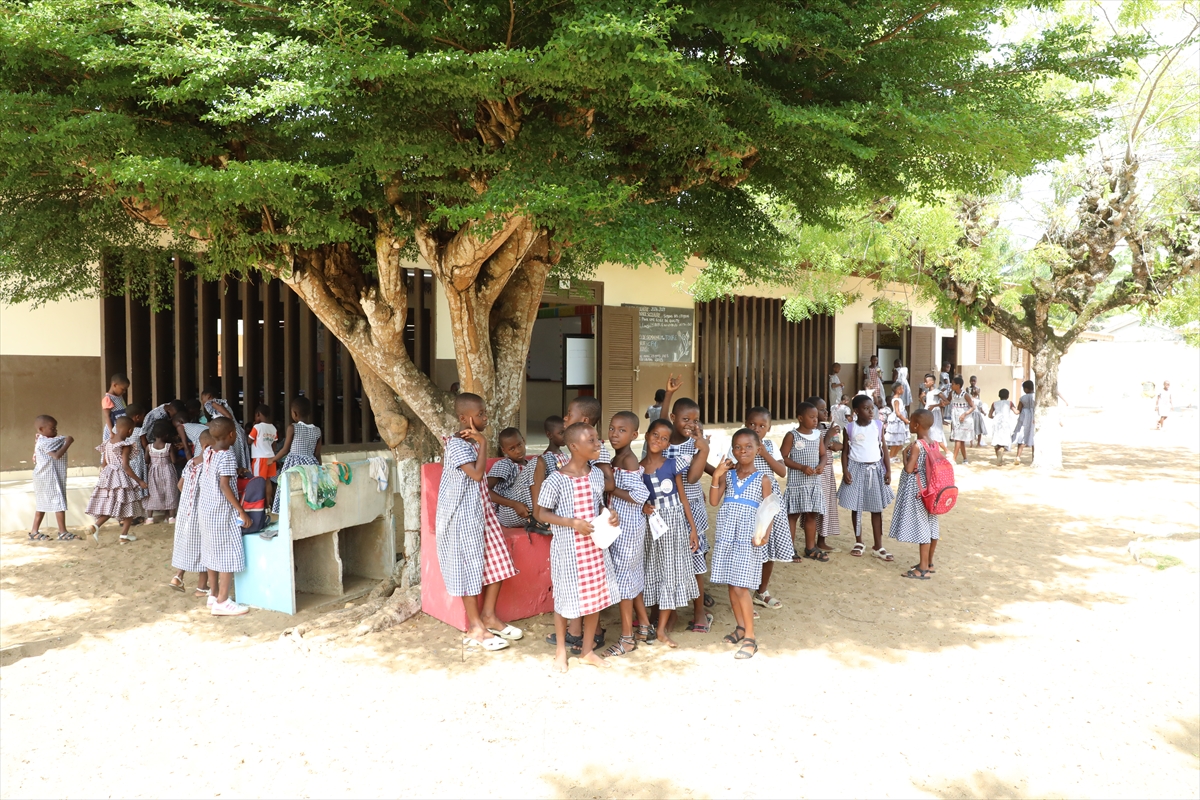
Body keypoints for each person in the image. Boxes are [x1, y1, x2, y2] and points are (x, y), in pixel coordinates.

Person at [434, 393, 521, 651]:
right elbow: (476, 474)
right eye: (480, 414)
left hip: (482, 515)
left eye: (484, 413)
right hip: (462, 518)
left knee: (499, 563)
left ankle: (489, 616)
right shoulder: (458, 445)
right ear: (464, 418)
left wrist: (480, 442)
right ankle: (475, 628)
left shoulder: (471, 443)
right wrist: (483, 442)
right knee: (468, 571)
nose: (486, 417)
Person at [537, 421, 621, 672]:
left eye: (597, 439)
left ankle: (586, 651)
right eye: (592, 440)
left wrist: (610, 513)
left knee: (594, 598)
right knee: (565, 600)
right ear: (573, 446)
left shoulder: (596, 475)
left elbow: (598, 506)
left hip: (594, 548)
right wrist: (571, 523)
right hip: (568, 551)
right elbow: (541, 513)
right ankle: (561, 651)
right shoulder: (556, 480)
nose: (599, 443)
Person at [648, 383, 714, 632]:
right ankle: (664, 611)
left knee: (695, 557)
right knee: (665, 557)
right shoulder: (663, 442)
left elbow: (695, 477)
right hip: (666, 508)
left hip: (691, 506)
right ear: (674, 418)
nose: (691, 424)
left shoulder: (695, 444)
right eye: (686, 419)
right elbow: (663, 420)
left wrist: (703, 449)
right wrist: (669, 395)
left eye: (696, 421)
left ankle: (699, 612)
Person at [640, 418, 702, 648]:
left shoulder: (673, 464)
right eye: (655, 435)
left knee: (671, 570)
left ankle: (662, 629)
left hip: (675, 524)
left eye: (664, 438)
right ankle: (653, 621)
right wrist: (644, 506)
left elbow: (684, 498)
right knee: (653, 569)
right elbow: (638, 498)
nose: (659, 440)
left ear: (668, 444)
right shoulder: (637, 468)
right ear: (647, 436)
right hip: (652, 527)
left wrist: (692, 529)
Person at [709, 428, 770, 660]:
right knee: (731, 584)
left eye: (748, 447)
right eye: (737, 447)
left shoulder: (763, 479)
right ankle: (740, 627)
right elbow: (714, 501)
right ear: (731, 450)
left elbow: (768, 510)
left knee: (741, 586)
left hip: (748, 538)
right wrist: (716, 475)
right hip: (727, 535)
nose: (742, 451)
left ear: (758, 449)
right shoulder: (729, 475)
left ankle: (751, 638)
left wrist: (764, 535)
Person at [603, 411, 654, 655]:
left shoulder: (629, 460)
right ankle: (643, 624)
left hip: (629, 527)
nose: (614, 434)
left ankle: (626, 638)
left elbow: (638, 495)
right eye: (612, 428)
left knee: (624, 581)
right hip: (621, 525)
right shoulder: (617, 457)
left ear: (634, 435)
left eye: (622, 430)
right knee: (631, 576)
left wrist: (612, 489)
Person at [199, 418, 252, 616]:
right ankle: (223, 600)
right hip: (222, 511)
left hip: (206, 509)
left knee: (211, 551)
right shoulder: (228, 456)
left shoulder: (208, 452)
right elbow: (224, 485)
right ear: (231, 435)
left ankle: (213, 595)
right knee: (227, 553)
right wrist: (240, 510)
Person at [745, 406, 796, 607]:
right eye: (752, 424)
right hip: (748, 502)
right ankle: (744, 593)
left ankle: (762, 591)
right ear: (745, 424)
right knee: (748, 547)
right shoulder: (742, 444)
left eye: (761, 425)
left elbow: (782, 471)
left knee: (769, 545)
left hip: (769, 504)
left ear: (769, 428)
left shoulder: (771, 446)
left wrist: (764, 453)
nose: (756, 429)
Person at [837, 394, 895, 561]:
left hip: (875, 470)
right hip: (855, 469)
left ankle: (878, 545)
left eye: (872, 408)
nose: (871, 411)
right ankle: (859, 541)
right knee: (857, 507)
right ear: (856, 411)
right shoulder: (849, 428)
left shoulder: (878, 425)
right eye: (866, 408)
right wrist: (845, 470)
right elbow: (845, 452)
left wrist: (888, 470)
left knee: (877, 508)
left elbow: (883, 448)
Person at [889, 409, 941, 580]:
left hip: (918, 491)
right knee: (931, 524)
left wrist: (905, 456)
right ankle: (930, 563)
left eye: (911, 422)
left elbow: (909, 469)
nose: (909, 424)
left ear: (917, 425)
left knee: (922, 528)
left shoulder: (917, 445)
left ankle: (923, 568)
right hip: (931, 490)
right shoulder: (933, 443)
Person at [85, 416, 147, 544]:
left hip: (108, 476)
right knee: (129, 505)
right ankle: (103, 529)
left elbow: (104, 463)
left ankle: (114, 533)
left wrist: (105, 476)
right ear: (130, 431)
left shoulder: (108, 442)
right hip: (121, 478)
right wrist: (139, 481)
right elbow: (125, 466)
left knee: (112, 504)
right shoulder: (125, 445)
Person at [782, 401, 828, 565]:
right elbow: (783, 457)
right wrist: (800, 467)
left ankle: (810, 547)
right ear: (800, 418)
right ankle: (788, 548)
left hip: (813, 484)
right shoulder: (792, 435)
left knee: (811, 514)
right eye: (811, 417)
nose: (815, 420)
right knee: (792, 515)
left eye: (816, 417)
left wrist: (821, 465)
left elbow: (823, 455)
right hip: (797, 485)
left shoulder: (818, 435)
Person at [169, 430, 212, 595]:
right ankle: (202, 587)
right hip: (201, 512)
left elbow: (180, 485)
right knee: (205, 548)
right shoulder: (209, 465)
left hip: (185, 512)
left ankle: (178, 577)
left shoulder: (191, 463)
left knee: (186, 543)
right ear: (208, 446)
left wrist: (189, 498)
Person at [268, 396, 323, 513]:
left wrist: (272, 460)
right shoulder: (317, 430)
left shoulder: (293, 428)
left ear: (294, 413)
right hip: (311, 464)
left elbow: (285, 450)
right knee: (307, 490)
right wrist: (320, 470)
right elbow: (317, 454)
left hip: (294, 464)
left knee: (287, 489)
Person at [806, 396, 843, 552]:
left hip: (828, 471)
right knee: (816, 507)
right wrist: (828, 438)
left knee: (827, 505)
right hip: (816, 472)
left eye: (825, 408)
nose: (825, 411)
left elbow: (836, 446)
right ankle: (812, 543)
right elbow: (819, 448)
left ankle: (822, 540)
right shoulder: (811, 431)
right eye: (821, 409)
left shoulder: (825, 427)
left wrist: (836, 442)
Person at [30, 415, 75, 541]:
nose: (55, 431)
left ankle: (34, 531)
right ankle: (62, 531)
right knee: (58, 501)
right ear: (41, 429)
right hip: (47, 478)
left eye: (56, 428)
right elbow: (56, 456)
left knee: (42, 504)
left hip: (46, 477)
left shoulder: (46, 439)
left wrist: (64, 440)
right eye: (52, 428)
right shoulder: (44, 442)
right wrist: (68, 442)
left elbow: (59, 441)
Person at [487, 427, 537, 530]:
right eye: (512, 449)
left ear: (523, 440)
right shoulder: (506, 464)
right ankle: (541, 516)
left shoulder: (529, 464)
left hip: (529, 509)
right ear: (504, 450)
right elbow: (484, 490)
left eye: (519, 445)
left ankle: (542, 516)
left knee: (548, 461)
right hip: (509, 510)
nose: (518, 451)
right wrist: (514, 504)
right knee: (538, 462)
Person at [530, 415, 566, 530]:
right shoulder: (548, 458)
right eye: (561, 433)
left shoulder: (564, 455)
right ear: (549, 435)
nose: (565, 436)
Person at [202, 386, 250, 473]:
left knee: (233, 454)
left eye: (202, 398)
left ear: (209, 396)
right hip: (234, 432)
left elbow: (228, 417)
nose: (202, 401)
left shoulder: (213, 403)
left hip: (231, 433)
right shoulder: (220, 404)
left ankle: (235, 472)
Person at [143, 421, 181, 523]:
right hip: (168, 471)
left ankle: (150, 518)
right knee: (170, 492)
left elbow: (146, 461)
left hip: (154, 473)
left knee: (153, 492)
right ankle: (171, 517)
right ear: (166, 435)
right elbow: (174, 461)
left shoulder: (149, 447)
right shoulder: (169, 446)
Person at [248, 404, 279, 510]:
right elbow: (274, 445)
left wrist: (252, 427)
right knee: (268, 481)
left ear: (258, 415)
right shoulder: (273, 428)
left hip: (259, 458)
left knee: (258, 481)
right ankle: (268, 505)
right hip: (271, 458)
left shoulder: (257, 427)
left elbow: (249, 440)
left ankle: (259, 505)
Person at [948, 376, 975, 465]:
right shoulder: (952, 393)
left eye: (953, 384)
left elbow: (973, 407)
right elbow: (947, 401)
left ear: (958, 385)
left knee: (958, 439)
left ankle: (954, 459)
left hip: (964, 419)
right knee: (960, 439)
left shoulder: (965, 395)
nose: (951, 385)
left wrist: (964, 414)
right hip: (956, 418)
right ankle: (965, 459)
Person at [920, 373, 949, 456]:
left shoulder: (937, 392)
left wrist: (936, 405)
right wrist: (921, 398)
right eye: (924, 382)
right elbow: (926, 404)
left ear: (932, 382)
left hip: (935, 414)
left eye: (926, 382)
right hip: (928, 413)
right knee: (929, 432)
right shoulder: (927, 392)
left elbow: (947, 401)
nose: (924, 383)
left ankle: (946, 451)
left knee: (935, 432)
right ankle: (931, 451)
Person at [989, 389, 1017, 465]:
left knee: (996, 439)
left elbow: (990, 415)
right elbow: (1016, 412)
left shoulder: (994, 403)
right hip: (1006, 422)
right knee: (1004, 439)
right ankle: (1002, 450)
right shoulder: (1010, 403)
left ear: (999, 395)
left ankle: (998, 457)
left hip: (996, 422)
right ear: (1008, 396)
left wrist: (994, 417)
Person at [100, 373, 129, 448]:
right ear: (114, 385)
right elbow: (107, 417)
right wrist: (111, 432)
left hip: (122, 426)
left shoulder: (119, 396)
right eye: (123, 389)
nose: (124, 392)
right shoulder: (108, 399)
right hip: (114, 427)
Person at [885, 383, 910, 460]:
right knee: (895, 440)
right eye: (902, 388)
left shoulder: (898, 399)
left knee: (899, 441)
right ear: (898, 390)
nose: (903, 390)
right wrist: (905, 419)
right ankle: (891, 456)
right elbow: (897, 412)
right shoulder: (896, 400)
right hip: (897, 421)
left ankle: (894, 455)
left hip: (900, 421)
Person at [1012, 380, 1036, 464]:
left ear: (1025, 389)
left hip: (1024, 417)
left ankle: (1018, 456)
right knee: (1033, 437)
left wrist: (1013, 408)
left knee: (1021, 436)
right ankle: (1034, 458)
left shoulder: (1023, 398)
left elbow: (1018, 410)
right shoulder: (1036, 397)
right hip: (1034, 417)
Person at [968, 376, 988, 447]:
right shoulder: (968, 389)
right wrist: (983, 412)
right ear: (970, 381)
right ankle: (977, 443)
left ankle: (972, 443)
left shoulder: (977, 398)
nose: (973, 382)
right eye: (972, 381)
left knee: (973, 428)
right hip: (975, 413)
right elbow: (980, 407)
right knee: (977, 428)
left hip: (972, 413)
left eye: (974, 381)